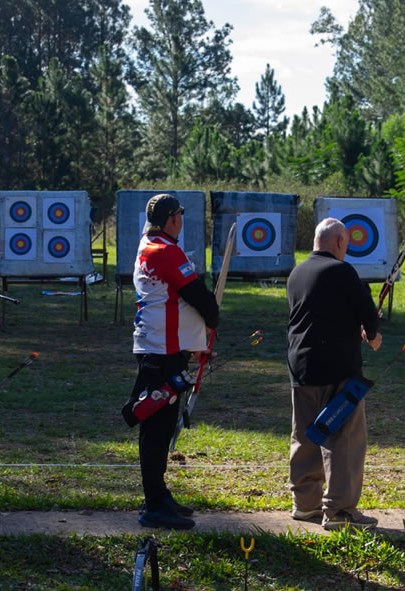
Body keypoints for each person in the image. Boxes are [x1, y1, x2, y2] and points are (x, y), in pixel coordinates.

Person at [122, 194, 219, 529]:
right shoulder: (163, 250)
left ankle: (160, 496)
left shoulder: (151, 244)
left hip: (167, 349)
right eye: (179, 214)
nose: (181, 219)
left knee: (162, 426)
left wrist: (195, 343)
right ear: (170, 218)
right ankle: (153, 505)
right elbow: (195, 293)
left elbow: (176, 299)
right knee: (156, 427)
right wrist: (212, 316)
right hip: (160, 352)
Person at [286, 218, 382, 530]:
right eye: (348, 244)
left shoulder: (297, 272)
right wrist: (372, 333)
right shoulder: (343, 271)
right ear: (340, 242)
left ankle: (306, 505)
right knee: (345, 440)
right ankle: (340, 512)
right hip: (338, 371)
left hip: (301, 367)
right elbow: (369, 316)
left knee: (305, 435)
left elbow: (322, 313)